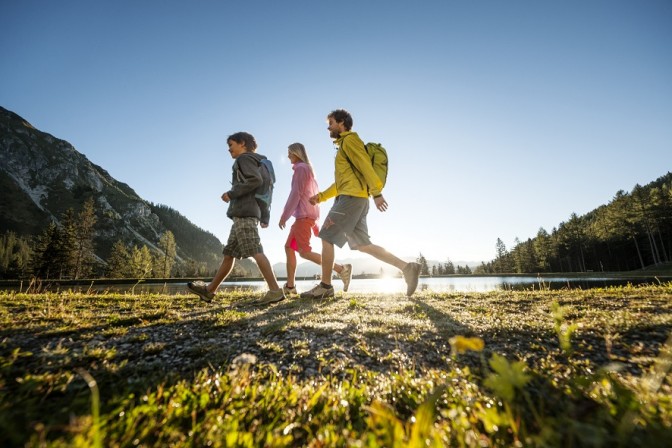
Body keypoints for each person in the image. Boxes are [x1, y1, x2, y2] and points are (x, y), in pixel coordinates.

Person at [300, 109, 421, 299]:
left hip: (350, 200)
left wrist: (377, 193)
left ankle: (325, 286)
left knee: (326, 237)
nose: (328, 127)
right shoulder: (344, 145)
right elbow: (342, 183)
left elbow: (365, 165)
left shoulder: (350, 141)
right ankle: (407, 268)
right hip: (355, 199)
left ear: (341, 123)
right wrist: (321, 196)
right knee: (363, 245)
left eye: (331, 123)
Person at [187, 132, 284, 305]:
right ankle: (210, 291)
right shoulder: (259, 161)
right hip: (247, 213)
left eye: (231, 145)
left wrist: (231, 193)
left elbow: (255, 180)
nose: (228, 149)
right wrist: (265, 216)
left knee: (256, 250)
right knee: (229, 254)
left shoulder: (244, 159)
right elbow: (265, 189)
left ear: (242, 143)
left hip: (244, 212)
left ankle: (275, 290)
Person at [278, 142, 352, 296]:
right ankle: (290, 287)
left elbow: (296, 194)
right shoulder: (307, 169)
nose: (288, 156)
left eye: (290, 152)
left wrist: (284, 216)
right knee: (289, 248)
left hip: (303, 217)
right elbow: (309, 195)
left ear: (297, 153)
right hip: (305, 217)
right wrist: (315, 222)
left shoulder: (301, 168)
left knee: (304, 252)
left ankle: (341, 269)